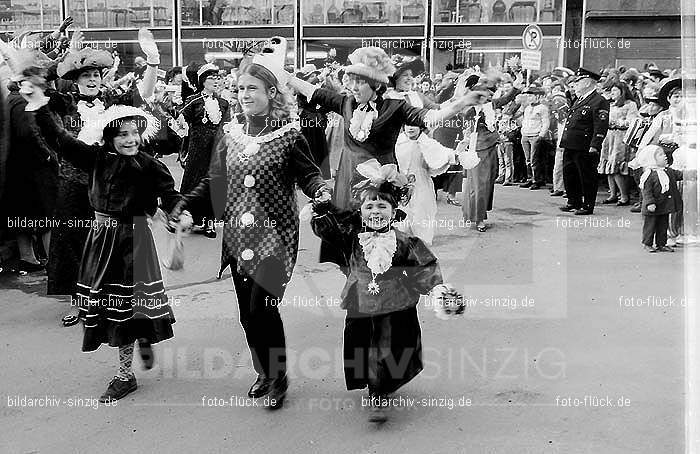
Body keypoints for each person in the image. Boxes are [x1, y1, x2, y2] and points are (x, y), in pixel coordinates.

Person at [171, 46, 332, 410]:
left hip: (276, 236)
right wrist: (184, 204)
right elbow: (215, 179)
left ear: (271, 93)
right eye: (240, 89)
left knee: (264, 307)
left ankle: (278, 377)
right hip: (239, 237)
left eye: (252, 89)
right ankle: (264, 370)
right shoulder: (229, 134)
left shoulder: (290, 135)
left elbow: (308, 174)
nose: (244, 95)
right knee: (247, 313)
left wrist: (319, 190)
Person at [25, 81, 180, 402]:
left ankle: (125, 375)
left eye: (134, 133)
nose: (130, 139)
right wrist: (39, 104)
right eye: (122, 134)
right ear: (109, 138)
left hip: (132, 243)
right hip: (101, 242)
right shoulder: (95, 159)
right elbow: (60, 140)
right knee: (114, 306)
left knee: (123, 307)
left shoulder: (149, 164)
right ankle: (139, 341)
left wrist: (180, 212)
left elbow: (171, 194)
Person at [309, 159, 460, 423]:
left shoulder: (404, 242)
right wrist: (322, 207)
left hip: (395, 306)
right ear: (360, 211)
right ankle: (375, 389)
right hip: (361, 305)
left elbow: (423, 267)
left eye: (382, 206)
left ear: (394, 211)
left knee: (388, 350)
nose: (375, 211)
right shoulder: (351, 237)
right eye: (369, 206)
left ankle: (380, 391)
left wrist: (438, 290)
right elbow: (328, 228)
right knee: (365, 349)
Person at [48, 29, 160, 326]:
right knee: (72, 241)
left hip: (109, 185)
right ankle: (77, 301)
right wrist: (68, 54)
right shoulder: (63, 101)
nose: (92, 79)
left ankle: (105, 299)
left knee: (105, 243)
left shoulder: (112, 100)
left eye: (96, 73)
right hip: (72, 182)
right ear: (76, 78)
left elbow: (145, 94)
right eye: (85, 74)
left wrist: (153, 62)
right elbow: (33, 85)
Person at [461, 74, 523, 232]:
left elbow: (506, 99)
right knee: (478, 185)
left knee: (487, 183)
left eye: (488, 92)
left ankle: (474, 215)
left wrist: (516, 87)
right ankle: (478, 218)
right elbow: (466, 126)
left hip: (491, 147)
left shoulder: (491, 105)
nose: (487, 95)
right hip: (478, 149)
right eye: (483, 92)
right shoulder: (470, 109)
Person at [176, 63, 231, 238]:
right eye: (211, 78)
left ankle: (209, 222)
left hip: (217, 150)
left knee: (214, 183)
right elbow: (181, 118)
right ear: (202, 81)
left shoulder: (224, 103)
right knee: (194, 181)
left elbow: (228, 126)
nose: (216, 81)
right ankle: (186, 216)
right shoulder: (193, 100)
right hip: (198, 150)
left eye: (217, 78)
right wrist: (181, 122)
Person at [394, 125, 458, 245]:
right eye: (408, 124)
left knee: (422, 215)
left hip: (421, 184)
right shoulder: (397, 142)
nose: (410, 128)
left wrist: (453, 157)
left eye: (414, 125)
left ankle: (420, 248)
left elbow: (438, 162)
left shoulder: (428, 144)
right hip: (400, 186)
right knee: (401, 219)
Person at [559, 68, 610, 215]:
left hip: (585, 145)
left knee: (586, 176)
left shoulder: (599, 101)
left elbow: (601, 125)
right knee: (570, 173)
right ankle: (573, 201)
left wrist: (595, 144)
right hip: (571, 143)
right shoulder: (579, 99)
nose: (575, 84)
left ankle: (588, 205)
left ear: (587, 82)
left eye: (578, 81)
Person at [631, 145, 682, 252]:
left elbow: (680, 175)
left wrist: (691, 173)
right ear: (651, 159)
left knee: (663, 226)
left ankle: (661, 243)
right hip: (653, 207)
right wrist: (650, 203)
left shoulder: (668, 171)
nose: (664, 156)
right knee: (650, 226)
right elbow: (647, 191)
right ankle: (647, 243)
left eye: (664, 154)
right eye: (660, 155)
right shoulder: (649, 175)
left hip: (664, 206)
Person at [597, 81, 639, 206]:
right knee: (608, 166)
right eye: (612, 90)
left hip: (621, 137)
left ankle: (624, 196)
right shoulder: (610, 104)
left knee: (617, 167)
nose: (612, 93)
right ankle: (613, 195)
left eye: (615, 90)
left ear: (622, 92)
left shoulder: (630, 104)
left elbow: (631, 121)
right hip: (609, 137)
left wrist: (616, 123)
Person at [518, 83, 550, 190]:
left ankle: (537, 180)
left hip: (535, 135)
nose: (529, 98)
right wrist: (523, 132)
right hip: (526, 135)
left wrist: (541, 135)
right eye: (528, 96)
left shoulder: (542, 108)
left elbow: (546, 122)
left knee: (534, 159)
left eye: (531, 95)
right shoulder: (527, 108)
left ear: (538, 96)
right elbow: (524, 120)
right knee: (527, 159)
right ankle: (530, 178)